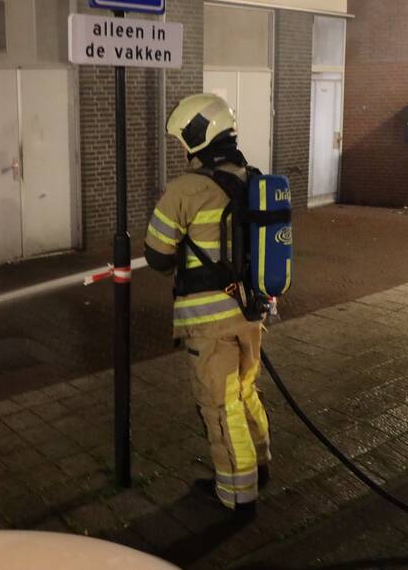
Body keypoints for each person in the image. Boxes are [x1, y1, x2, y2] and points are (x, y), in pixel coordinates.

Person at [144, 93, 271, 518]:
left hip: (210, 323)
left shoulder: (186, 189)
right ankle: (260, 465)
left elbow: (158, 257)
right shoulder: (252, 177)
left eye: (185, 139)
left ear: (199, 136)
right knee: (246, 391)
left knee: (220, 406)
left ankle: (238, 495)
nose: (183, 147)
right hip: (251, 314)